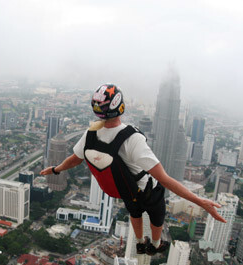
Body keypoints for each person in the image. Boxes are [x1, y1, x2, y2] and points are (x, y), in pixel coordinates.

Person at [41, 83, 226, 255]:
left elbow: (74, 160)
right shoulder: (132, 138)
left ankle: (139, 241)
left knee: (135, 213)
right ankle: (154, 244)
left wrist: (55, 169)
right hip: (148, 190)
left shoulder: (90, 135)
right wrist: (200, 201)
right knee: (157, 216)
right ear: (120, 106)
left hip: (125, 190)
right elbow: (164, 179)